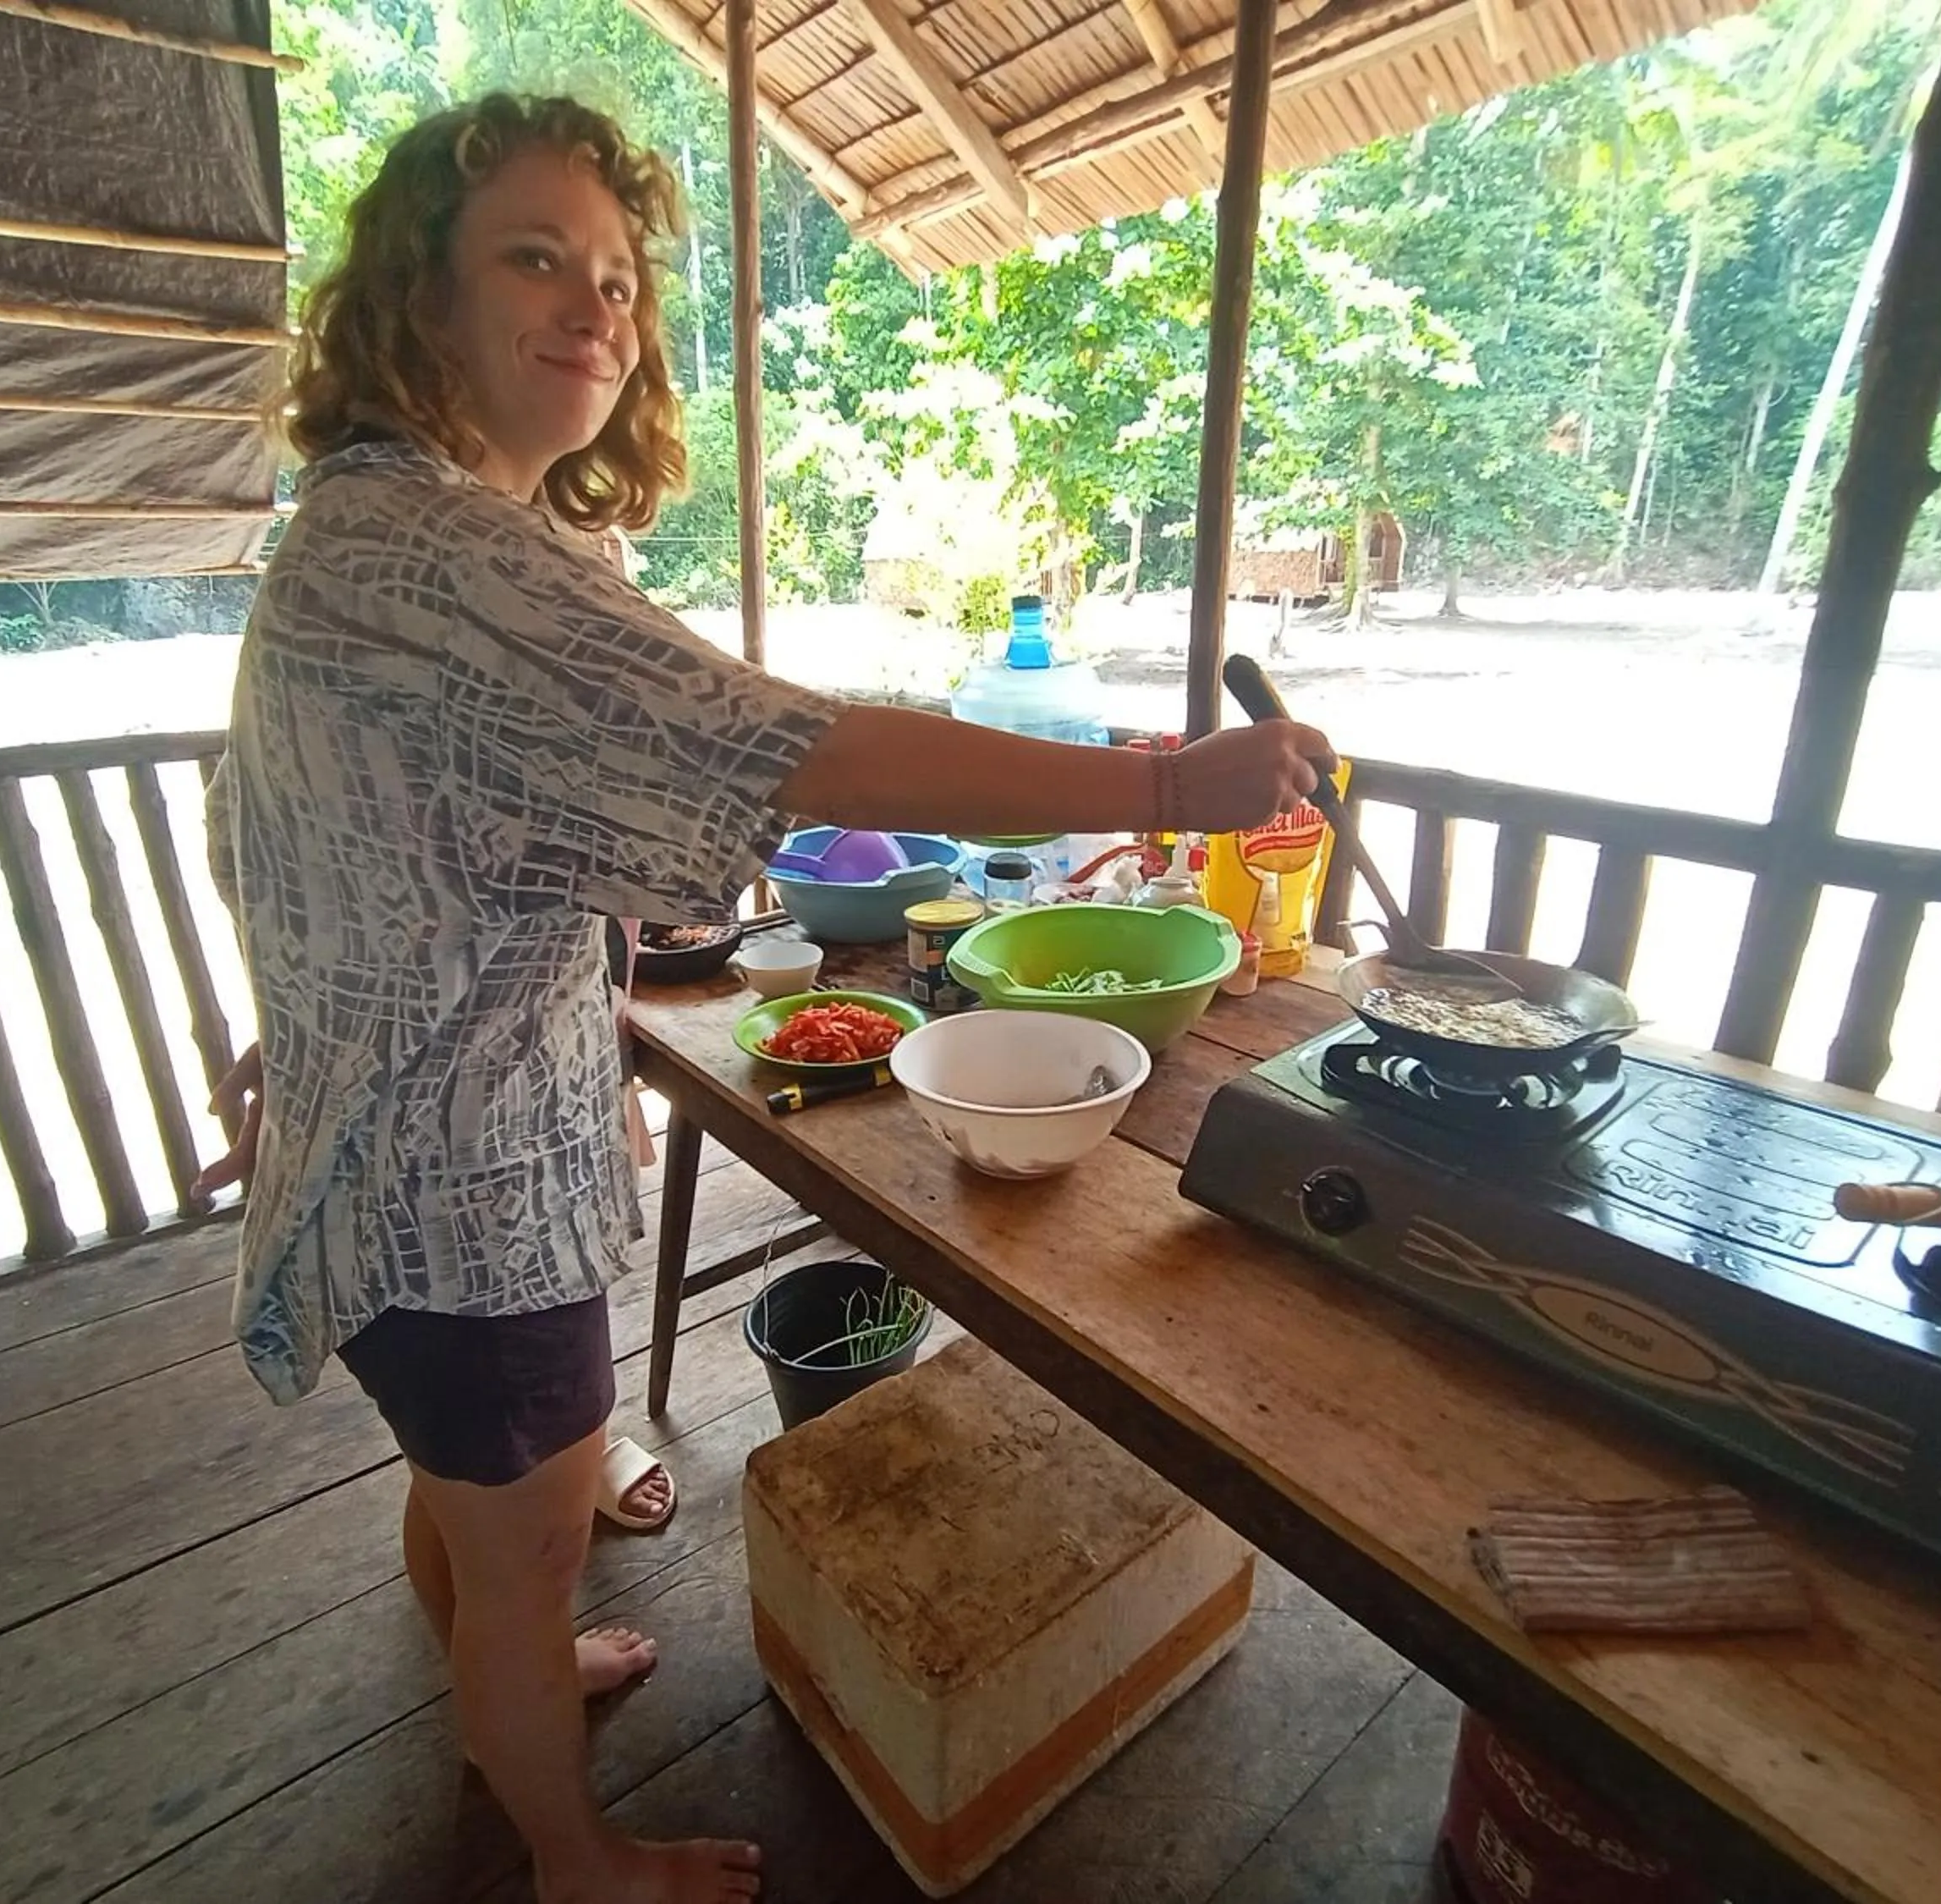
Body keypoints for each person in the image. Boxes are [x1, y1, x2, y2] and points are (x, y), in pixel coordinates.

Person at [203, 92, 1336, 1904]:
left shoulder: (364, 538)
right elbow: (774, 745)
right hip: (456, 1193)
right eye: (533, 256)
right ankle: (570, 1847)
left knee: (472, 1494)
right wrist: (1162, 790)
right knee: (530, 1527)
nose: (596, 306)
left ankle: (509, 1671)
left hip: (399, 1152)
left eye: (619, 279)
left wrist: (311, 1018)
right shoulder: (435, 554)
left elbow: (314, 833)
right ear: (418, 288)